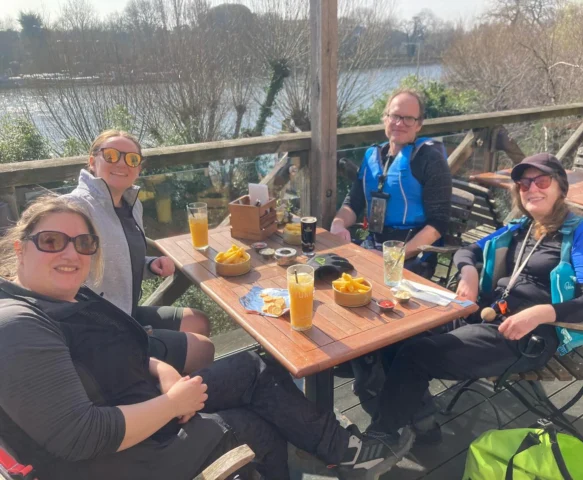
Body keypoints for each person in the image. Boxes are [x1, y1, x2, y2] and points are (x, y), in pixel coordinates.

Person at [0, 196, 415, 480]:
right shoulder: (18, 325)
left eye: (83, 242)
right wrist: (169, 406)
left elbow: (126, 354)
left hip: (148, 404)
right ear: (20, 249)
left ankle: (342, 451)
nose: (71, 254)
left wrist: (165, 374)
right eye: (51, 242)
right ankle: (326, 449)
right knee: (259, 426)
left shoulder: (67, 297)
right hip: (129, 457)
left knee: (255, 366)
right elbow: (81, 435)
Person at [369, 153, 583, 443]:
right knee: (396, 335)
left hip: (527, 337)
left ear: (561, 187)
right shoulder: (521, 227)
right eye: (524, 184)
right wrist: (468, 273)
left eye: (542, 181)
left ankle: (379, 439)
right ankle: (421, 421)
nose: (532, 188)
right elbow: (466, 250)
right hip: (486, 314)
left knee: (415, 355)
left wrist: (539, 313)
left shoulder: (581, 232)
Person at [64, 130, 213, 374]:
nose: (122, 163)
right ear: (92, 162)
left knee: (199, 321)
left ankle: (166, 389)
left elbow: (115, 258)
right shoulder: (76, 207)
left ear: (139, 168)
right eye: (111, 155)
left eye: (132, 159)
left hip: (127, 312)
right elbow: (61, 280)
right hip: (99, 330)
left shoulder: (132, 204)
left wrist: (150, 264)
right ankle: (167, 401)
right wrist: (126, 330)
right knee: (203, 348)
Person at [330, 88, 452, 280]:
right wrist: (338, 224)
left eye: (408, 118)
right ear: (385, 118)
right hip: (372, 246)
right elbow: (353, 203)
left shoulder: (430, 159)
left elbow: (438, 224)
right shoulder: (373, 155)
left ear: (419, 124)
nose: (399, 123)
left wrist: (396, 256)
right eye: (395, 116)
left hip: (412, 257)